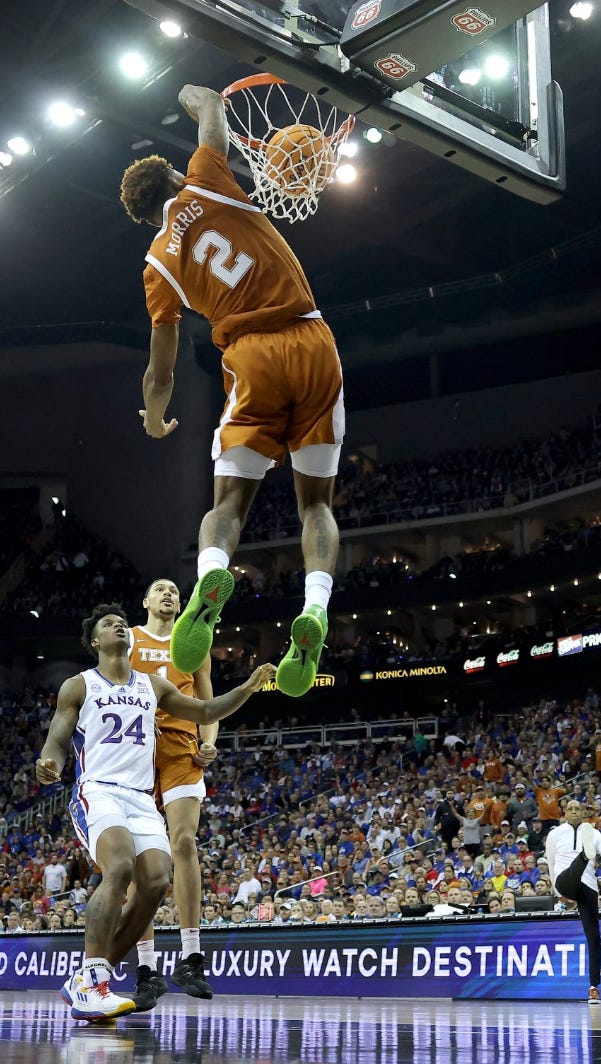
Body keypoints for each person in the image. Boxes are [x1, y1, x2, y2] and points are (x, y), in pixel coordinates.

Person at [120, 83, 344, 698]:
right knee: (316, 504)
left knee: (228, 506)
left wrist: (154, 419)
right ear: (173, 175)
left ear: (145, 216)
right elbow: (212, 109)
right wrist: (194, 95)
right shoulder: (204, 177)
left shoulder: (157, 267)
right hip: (311, 341)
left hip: (250, 358)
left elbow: (161, 373)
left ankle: (212, 578)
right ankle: (316, 607)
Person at [35, 602, 273, 1020]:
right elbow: (58, 737)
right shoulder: (79, 685)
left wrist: (248, 688)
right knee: (120, 867)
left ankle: (90, 979)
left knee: (157, 881)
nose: (119, 626)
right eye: (109, 624)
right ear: (96, 641)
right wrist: (49, 762)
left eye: (122, 623)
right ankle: (92, 980)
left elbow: (205, 711)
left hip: (142, 797)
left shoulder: (153, 685)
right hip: (99, 791)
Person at [128, 578, 217, 1006]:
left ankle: (191, 956)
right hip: (136, 750)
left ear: (181, 604)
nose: (168, 594)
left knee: (184, 842)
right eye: (159, 589)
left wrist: (209, 740)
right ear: (146, 600)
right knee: (141, 860)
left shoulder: (194, 641)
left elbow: (207, 701)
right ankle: (147, 969)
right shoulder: (128, 638)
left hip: (182, 746)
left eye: (174, 591)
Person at [544, 800, 601, 1004]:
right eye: (570, 809)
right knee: (570, 873)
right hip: (564, 881)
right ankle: (584, 856)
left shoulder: (594, 833)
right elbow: (551, 863)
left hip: (588, 887)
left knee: (594, 936)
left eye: (578, 809)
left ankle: (594, 987)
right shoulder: (555, 834)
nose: (574, 811)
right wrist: (557, 892)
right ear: (565, 813)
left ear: (583, 812)